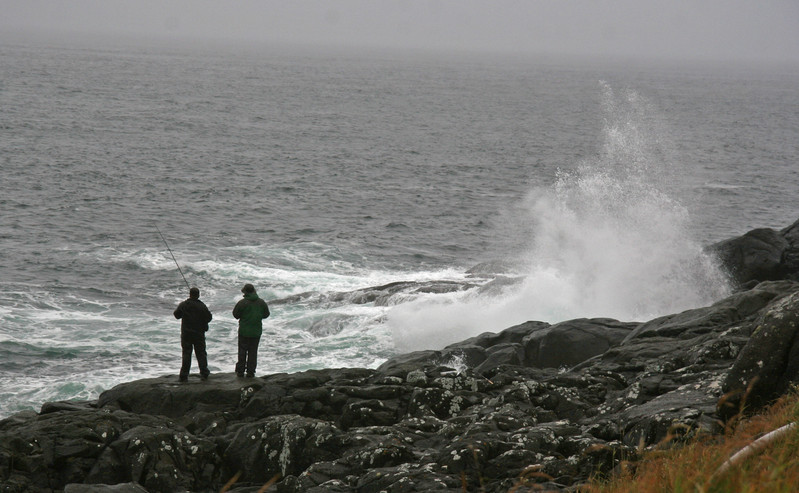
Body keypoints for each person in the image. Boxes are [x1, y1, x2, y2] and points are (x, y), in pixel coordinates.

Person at [173, 287, 213, 382]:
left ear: (190, 294)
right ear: (198, 295)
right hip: (199, 334)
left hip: (186, 334)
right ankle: (204, 373)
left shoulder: (184, 305)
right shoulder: (202, 306)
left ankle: (184, 375)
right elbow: (209, 318)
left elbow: (176, 315)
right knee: (201, 354)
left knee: (186, 354)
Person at [232, 283, 270, 377]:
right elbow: (266, 314)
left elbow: (235, 315)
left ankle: (240, 371)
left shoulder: (242, 303)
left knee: (242, 351)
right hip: (256, 332)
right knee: (253, 352)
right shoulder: (261, 302)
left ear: (245, 292)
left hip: (244, 331)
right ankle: (251, 372)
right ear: (254, 291)